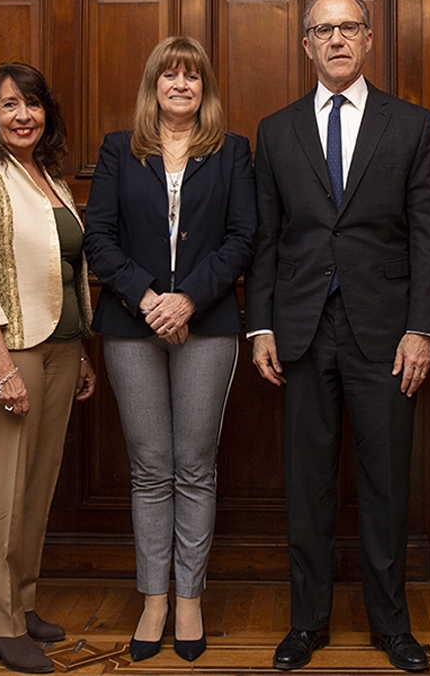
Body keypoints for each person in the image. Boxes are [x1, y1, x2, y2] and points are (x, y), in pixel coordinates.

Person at [246, 0, 430, 673]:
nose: (335, 40)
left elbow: (429, 238)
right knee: (307, 485)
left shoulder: (413, 125)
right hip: (301, 329)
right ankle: (307, 624)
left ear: (369, 40)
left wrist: (422, 329)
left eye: (348, 28)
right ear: (306, 46)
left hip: (387, 333)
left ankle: (393, 627)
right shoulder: (275, 131)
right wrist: (260, 326)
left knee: (387, 480)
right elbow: (266, 240)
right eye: (322, 30)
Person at [83, 36, 256, 664]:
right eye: (169, 75)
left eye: (192, 76)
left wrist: (187, 301)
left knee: (194, 463)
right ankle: (153, 595)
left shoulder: (232, 152)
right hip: (131, 326)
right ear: (152, 84)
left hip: (207, 326)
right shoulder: (117, 150)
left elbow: (243, 239)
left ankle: (190, 597)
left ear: (205, 88)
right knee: (150, 467)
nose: (180, 85)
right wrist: (149, 299)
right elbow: (98, 238)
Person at [0, 62, 97, 675]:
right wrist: (2, 366)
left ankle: (21, 604)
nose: (23, 115)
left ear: (46, 113)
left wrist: (80, 348)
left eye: (32, 104)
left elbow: (66, 272)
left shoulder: (49, 177)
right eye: (9, 105)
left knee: (38, 483)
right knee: (1, 488)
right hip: (4, 351)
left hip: (59, 347)